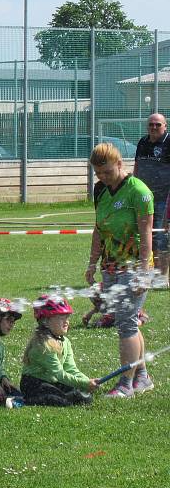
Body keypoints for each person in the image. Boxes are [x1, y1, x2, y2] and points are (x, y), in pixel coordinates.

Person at [86, 142, 154, 398]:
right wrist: (92, 263)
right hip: (110, 266)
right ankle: (142, 377)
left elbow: (146, 234)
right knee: (129, 322)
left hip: (133, 266)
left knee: (126, 323)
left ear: (119, 164)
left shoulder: (139, 191)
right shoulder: (100, 191)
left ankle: (125, 384)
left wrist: (144, 272)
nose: (103, 178)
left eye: (107, 172)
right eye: (98, 173)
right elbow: (98, 228)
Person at [20, 295, 99, 407]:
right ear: (45, 321)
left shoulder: (65, 341)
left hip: (51, 381)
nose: (66, 321)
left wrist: (88, 382)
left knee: (80, 395)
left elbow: (70, 368)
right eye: (61, 318)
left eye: (67, 317)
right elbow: (59, 374)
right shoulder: (43, 344)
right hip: (34, 384)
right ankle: (28, 400)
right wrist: (85, 384)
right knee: (63, 401)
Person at [133, 113, 169, 288]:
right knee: (145, 236)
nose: (154, 127)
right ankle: (149, 274)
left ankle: (162, 277)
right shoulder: (142, 142)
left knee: (161, 237)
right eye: (151, 125)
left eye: (158, 125)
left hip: (165, 198)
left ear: (165, 126)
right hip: (144, 199)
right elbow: (137, 166)